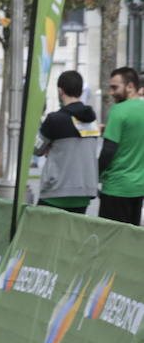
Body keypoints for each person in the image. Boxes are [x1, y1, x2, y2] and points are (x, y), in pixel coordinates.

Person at [34, 70, 99, 214]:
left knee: (42, 232)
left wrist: (49, 146)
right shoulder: (92, 120)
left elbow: (36, 150)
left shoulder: (54, 119)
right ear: (80, 91)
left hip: (56, 190)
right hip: (84, 191)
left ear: (60, 91)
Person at [98, 66, 144, 225]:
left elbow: (108, 151)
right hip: (138, 188)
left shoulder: (118, 111)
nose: (111, 92)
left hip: (115, 188)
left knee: (108, 240)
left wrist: (95, 174)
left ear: (130, 86)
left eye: (115, 87)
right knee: (129, 241)